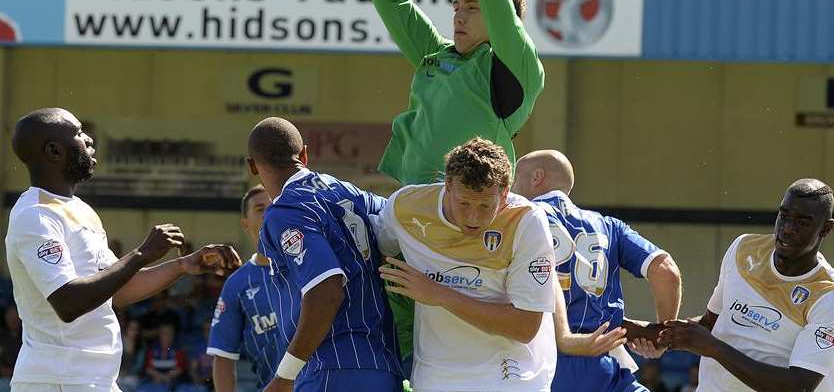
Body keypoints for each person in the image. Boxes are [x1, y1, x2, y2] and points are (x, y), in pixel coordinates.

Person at [369, 0, 545, 365]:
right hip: (410, 217)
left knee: (477, 339)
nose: (460, 15)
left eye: (473, 8)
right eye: (456, 7)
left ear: (502, 17)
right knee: (394, 343)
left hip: (470, 221)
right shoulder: (436, 56)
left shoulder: (512, 66)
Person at [4, 108, 241, 392]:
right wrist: (141, 254)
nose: (90, 140)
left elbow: (118, 291)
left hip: (92, 378)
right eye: (79, 133)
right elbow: (68, 302)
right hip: (58, 379)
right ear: (54, 151)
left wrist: (182, 266)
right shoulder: (35, 215)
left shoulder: (81, 210)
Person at [373, 137, 561, 391]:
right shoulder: (406, 207)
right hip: (435, 380)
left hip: (514, 379)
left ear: (505, 192)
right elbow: (375, 252)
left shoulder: (526, 221)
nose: (473, 216)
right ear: (447, 185)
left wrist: (438, 294)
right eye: (463, 203)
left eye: (485, 205)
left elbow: (525, 326)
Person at [248, 117, 402, 392]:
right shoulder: (350, 192)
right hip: (384, 367)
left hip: (331, 369)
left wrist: (285, 375)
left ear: (252, 166)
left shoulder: (285, 211)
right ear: (305, 154)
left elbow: (326, 291)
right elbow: (402, 218)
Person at [512, 149, 683, 392]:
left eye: (515, 179)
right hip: (603, 361)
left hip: (539, 362)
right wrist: (661, 334)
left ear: (537, 177)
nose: (512, 189)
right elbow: (666, 271)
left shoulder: (515, 218)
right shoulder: (609, 226)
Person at [658, 178, 834, 392]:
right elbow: (709, 325)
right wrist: (640, 332)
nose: (787, 228)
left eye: (802, 222)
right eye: (784, 216)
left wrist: (714, 348)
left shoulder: (827, 294)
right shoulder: (743, 249)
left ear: (826, 229)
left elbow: (799, 386)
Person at [207, 184, 289, 392]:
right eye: (260, 209)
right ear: (245, 223)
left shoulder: (309, 265)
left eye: (274, 206)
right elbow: (223, 355)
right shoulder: (237, 284)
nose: (268, 213)